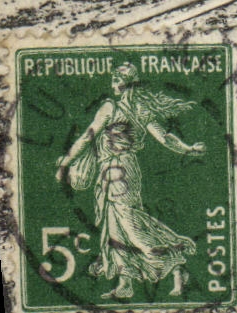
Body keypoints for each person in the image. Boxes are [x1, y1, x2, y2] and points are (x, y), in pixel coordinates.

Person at [55, 63, 203, 301]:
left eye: (115, 80)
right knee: (116, 224)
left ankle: (174, 260)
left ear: (122, 83)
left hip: (116, 171)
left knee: (128, 222)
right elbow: (164, 138)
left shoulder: (110, 107)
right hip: (124, 170)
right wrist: (188, 149)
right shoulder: (142, 109)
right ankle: (126, 282)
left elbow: (88, 136)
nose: (113, 85)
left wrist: (65, 162)